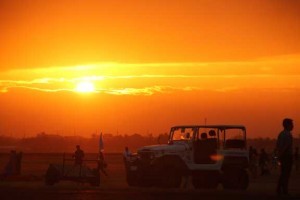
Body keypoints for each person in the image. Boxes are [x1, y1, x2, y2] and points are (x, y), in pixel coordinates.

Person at [276, 118, 294, 196]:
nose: (293, 126)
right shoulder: (288, 135)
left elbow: (278, 146)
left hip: (282, 156)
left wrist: (279, 155)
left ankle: (279, 189)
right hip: (287, 156)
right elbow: (286, 147)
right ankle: (284, 190)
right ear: (288, 125)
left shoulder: (281, 134)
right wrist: (282, 154)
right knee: (286, 174)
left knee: (283, 173)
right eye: (291, 124)